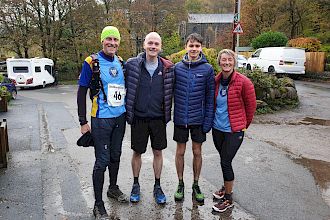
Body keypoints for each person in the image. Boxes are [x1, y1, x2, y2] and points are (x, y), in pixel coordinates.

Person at [77, 26, 128, 219]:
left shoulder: (120, 61)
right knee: (102, 161)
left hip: (119, 117)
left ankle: (112, 188)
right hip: (100, 119)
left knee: (116, 155)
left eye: (115, 40)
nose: (112, 43)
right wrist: (83, 121)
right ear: (102, 41)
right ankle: (98, 204)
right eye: (109, 39)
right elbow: (82, 92)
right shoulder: (91, 62)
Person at [125, 32, 175, 204]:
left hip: (158, 119)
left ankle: (157, 185)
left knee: (158, 152)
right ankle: (136, 184)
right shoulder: (132, 65)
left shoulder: (168, 68)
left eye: (156, 44)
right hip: (139, 117)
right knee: (137, 152)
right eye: (150, 43)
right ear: (144, 45)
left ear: (160, 47)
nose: (153, 46)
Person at [211, 49, 256, 212]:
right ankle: (226, 186)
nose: (227, 63)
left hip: (234, 131)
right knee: (223, 159)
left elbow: (251, 107)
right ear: (219, 62)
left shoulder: (244, 82)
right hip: (217, 129)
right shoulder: (216, 81)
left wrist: (243, 125)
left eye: (230, 60)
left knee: (225, 161)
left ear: (234, 62)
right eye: (223, 60)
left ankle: (228, 198)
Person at [173, 33, 215, 203]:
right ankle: (180, 183)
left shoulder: (208, 69)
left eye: (197, 46)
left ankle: (196, 184)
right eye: (191, 46)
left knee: (197, 152)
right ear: (186, 47)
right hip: (181, 118)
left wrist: (208, 121)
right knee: (180, 152)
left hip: (198, 119)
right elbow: (169, 93)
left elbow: (210, 97)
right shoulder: (177, 68)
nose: (194, 49)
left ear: (201, 48)